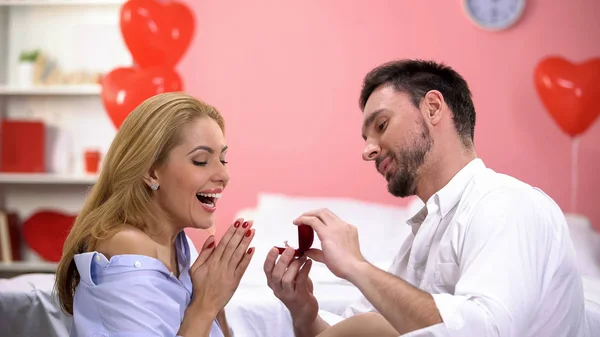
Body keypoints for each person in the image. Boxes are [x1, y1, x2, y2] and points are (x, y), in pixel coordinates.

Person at [263, 59, 589, 336]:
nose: (368, 150)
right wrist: (304, 312)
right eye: (366, 137)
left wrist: (357, 266)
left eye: (382, 124)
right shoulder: (418, 241)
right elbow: (352, 329)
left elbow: (484, 329)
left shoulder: (509, 205)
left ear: (433, 108)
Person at [54, 92, 256, 337]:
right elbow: (201, 313)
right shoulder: (127, 244)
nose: (224, 176)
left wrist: (216, 302)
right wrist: (206, 304)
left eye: (223, 160)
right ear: (151, 173)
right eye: (201, 161)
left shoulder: (180, 247)